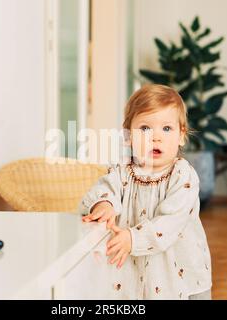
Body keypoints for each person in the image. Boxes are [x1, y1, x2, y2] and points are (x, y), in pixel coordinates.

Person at [78, 84, 212, 299]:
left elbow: (172, 221)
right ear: (128, 136)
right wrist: (104, 204)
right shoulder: (122, 170)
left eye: (166, 129)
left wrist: (133, 238)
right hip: (130, 268)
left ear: (181, 136)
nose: (155, 137)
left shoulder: (183, 175)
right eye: (145, 128)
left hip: (176, 271)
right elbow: (105, 188)